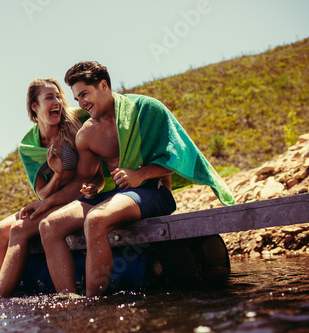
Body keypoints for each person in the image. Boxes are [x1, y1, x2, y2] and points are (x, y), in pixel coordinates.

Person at [21, 61, 236, 297]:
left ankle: (94, 305)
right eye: (77, 98)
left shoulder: (146, 109)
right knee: (49, 225)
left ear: (103, 85)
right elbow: (87, 180)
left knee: (95, 220)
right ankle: (70, 300)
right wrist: (59, 199)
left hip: (153, 191)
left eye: (84, 94)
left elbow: (179, 158)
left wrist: (140, 174)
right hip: (116, 196)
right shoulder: (87, 133)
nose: (80, 104)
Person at [0, 77, 103, 300]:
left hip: (79, 196)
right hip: (55, 198)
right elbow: (42, 193)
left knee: (19, 229)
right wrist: (56, 174)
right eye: (49, 97)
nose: (57, 101)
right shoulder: (29, 145)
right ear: (35, 107)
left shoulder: (77, 122)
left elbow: (95, 171)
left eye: (58, 96)